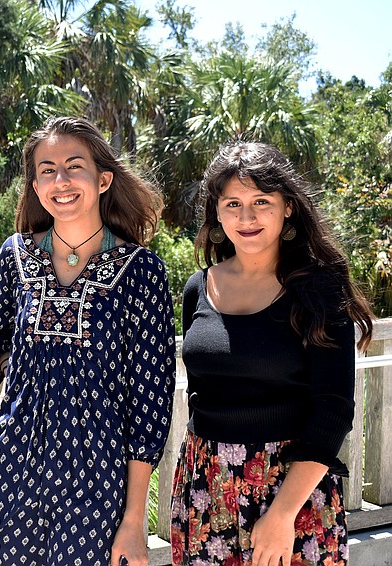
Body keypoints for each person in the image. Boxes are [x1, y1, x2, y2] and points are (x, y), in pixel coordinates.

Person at [0, 116, 176, 566]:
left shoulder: (142, 271)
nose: (60, 181)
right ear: (35, 185)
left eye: (74, 166)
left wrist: (133, 519)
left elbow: (149, 403)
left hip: (98, 484)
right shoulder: (14, 257)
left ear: (103, 179)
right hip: (12, 475)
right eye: (47, 170)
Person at [170, 141, 374, 565]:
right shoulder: (197, 288)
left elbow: (334, 410)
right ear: (217, 212)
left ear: (288, 208)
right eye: (233, 204)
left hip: (293, 495)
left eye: (261, 201)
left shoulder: (319, 289)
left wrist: (282, 514)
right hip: (205, 487)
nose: (246, 218)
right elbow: (200, 396)